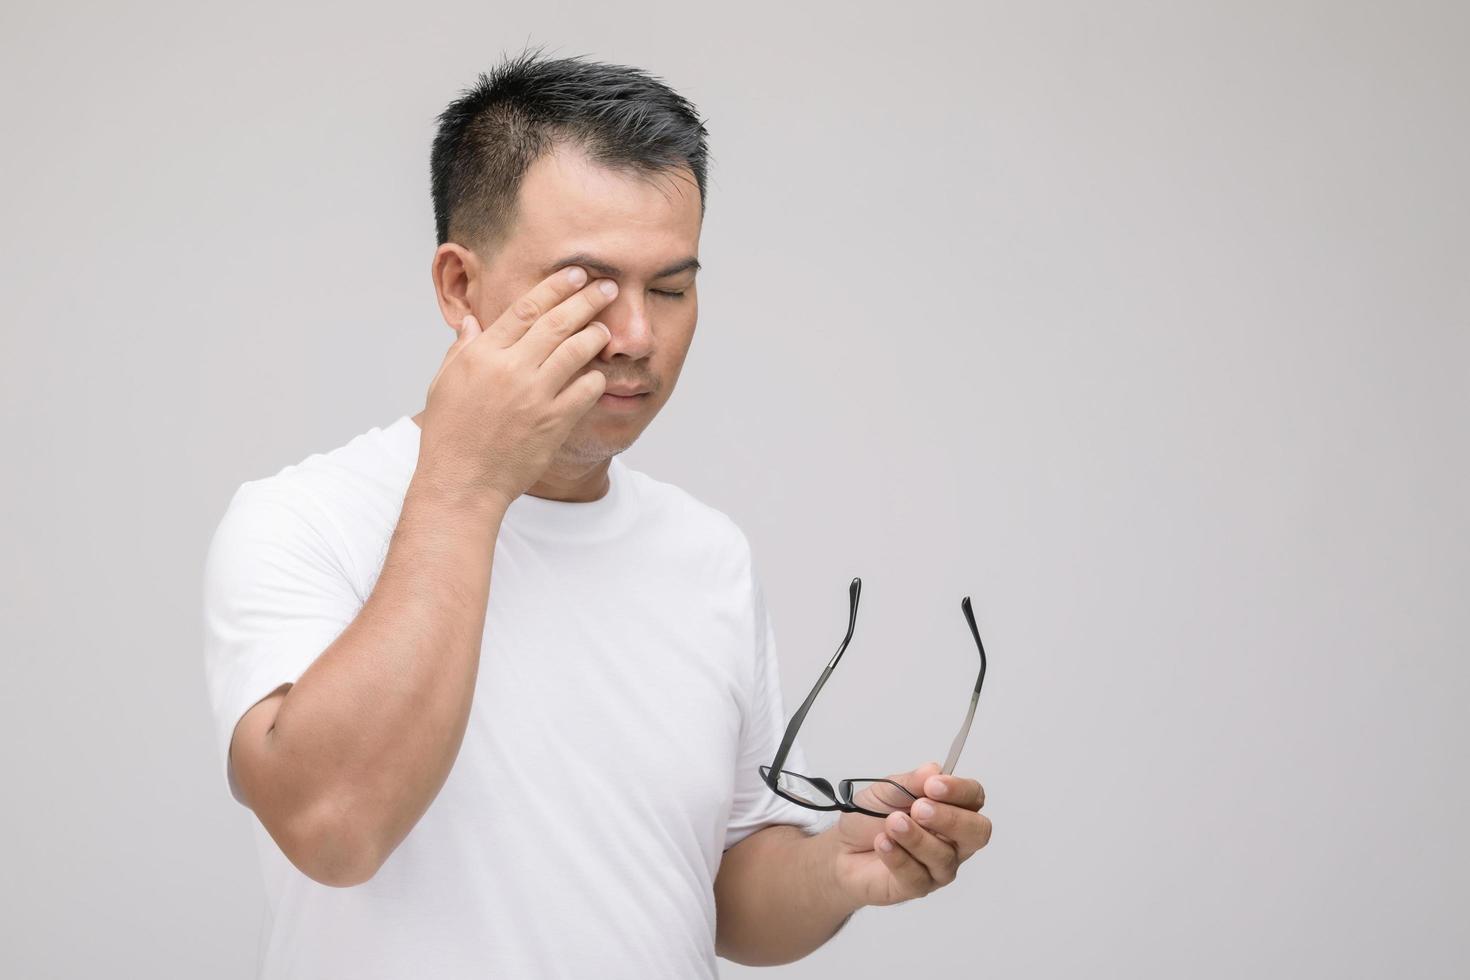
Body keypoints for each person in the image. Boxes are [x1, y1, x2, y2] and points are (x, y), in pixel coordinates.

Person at [202, 46, 991, 980]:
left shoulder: (706, 555)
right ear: (460, 287)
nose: (637, 338)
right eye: (588, 287)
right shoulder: (302, 521)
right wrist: (467, 482)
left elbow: (719, 893)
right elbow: (335, 831)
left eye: (671, 288)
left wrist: (840, 869)